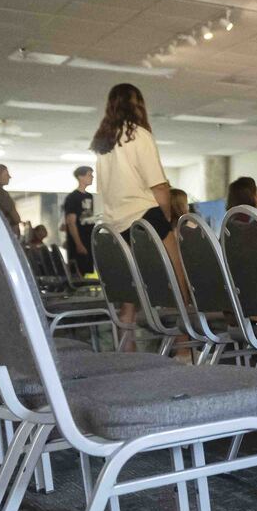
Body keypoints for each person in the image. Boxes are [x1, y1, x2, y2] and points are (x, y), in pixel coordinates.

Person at [90, 83, 183, 338]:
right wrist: (166, 217)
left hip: (114, 224)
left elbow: (104, 189)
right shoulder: (139, 134)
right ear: (138, 104)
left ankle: (127, 349)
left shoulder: (103, 144)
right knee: (177, 280)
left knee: (128, 296)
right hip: (145, 216)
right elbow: (159, 185)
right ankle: (185, 348)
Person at [63, 166, 96, 275]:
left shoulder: (89, 196)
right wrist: (78, 244)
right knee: (78, 271)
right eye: (89, 175)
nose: (92, 177)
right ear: (80, 177)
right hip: (79, 240)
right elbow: (71, 222)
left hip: (88, 238)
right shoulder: (72, 198)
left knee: (87, 271)